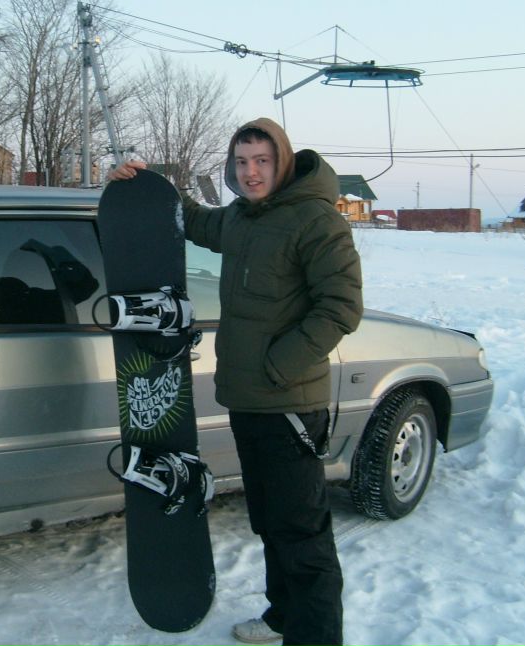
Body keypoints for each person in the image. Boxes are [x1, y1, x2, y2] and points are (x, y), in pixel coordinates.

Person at [109, 117, 362, 646]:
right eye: (242, 162)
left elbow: (341, 307)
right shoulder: (245, 218)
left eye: (262, 161)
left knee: (303, 536)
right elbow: (195, 221)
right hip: (250, 402)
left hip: (288, 402)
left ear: (282, 161)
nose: (251, 173)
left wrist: (276, 368)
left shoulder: (316, 221)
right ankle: (282, 616)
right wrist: (147, 183)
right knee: (270, 524)